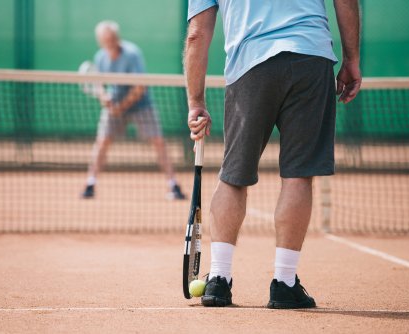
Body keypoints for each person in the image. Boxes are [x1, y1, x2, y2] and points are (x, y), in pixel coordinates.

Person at [184, 1, 361, 307]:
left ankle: (218, 280)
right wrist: (352, 59)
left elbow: (197, 34)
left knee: (233, 177)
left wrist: (195, 102)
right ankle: (285, 282)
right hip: (311, 57)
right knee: (298, 175)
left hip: (250, 65)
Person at [81, 20, 185, 200]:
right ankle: (90, 183)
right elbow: (100, 84)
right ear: (100, 41)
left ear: (117, 37)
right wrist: (103, 97)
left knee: (159, 142)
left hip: (141, 105)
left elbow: (139, 87)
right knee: (102, 142)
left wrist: (120, 107)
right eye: (105, 39)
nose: (110, 42)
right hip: (115, 104)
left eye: (112, 38)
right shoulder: (100, 57)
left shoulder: (132, 54)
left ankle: (173, 185)